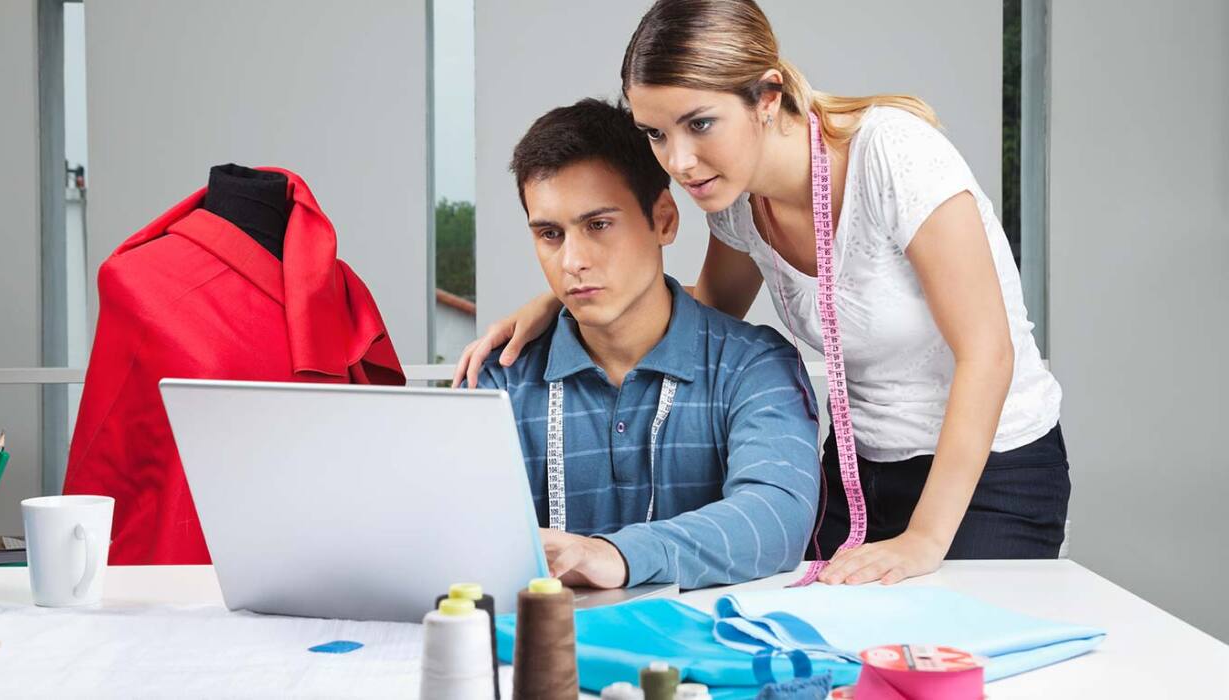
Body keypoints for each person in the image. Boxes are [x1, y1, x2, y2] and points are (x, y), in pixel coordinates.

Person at [456, 0, 1068, 587]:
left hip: (990, 469)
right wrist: (570, 302)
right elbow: (698, 315)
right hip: (862, 465)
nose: (681, 161)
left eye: (698, 124)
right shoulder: (740, 204)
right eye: (656, 134)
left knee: (948, 666)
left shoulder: (894, 155)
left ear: (767, 97)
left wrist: (924, 539)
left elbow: (987, 352)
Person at [470, 97, 821, 590]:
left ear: (664, 220)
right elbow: (456, 537)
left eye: (598, 225)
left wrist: (616, 555)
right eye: (550, 234)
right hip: (539, 656)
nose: (572, 261)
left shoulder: (755, 367)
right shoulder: (497, 381)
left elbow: (776, 520)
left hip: (708, 658)